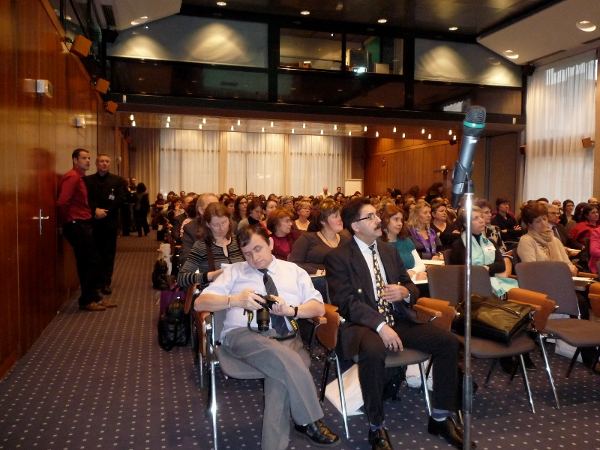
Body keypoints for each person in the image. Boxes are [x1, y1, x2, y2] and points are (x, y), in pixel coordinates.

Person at [325, 198, 468, 450]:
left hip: (399, 320)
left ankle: (441, 417)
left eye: (376, 215)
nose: (378, 220)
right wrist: (380, 326)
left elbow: (411, 285)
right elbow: (346, 302)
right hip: (363, 326)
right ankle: (376, 426)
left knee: (447, 343)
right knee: (373, 349)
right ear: (355, 226)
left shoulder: (389, 251)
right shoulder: (339, 257)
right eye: (370, 217)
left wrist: (405, 292)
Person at [196, 225, 340, 450]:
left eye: (258, 249)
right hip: (244, 336)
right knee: (289, 360)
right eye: (247, 254)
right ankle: (310, 420)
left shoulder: (294, 271)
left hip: (286, 337)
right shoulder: (234, 272)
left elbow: (318, 307)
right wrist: (234, 300)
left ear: (271, 243)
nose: (254, 258)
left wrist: (291, 311)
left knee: (280, 376)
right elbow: (200, 303)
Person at [57, 148, 104, 311]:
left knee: (91, 261)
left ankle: (94, 297)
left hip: (82, 223)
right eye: (84, 158)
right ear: (75, 160)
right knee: (90, 262)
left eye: (89, 158)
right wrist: (65, 223)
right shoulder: (72, 177)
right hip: (76, 224)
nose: (88, 161)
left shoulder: (80, 178)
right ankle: (86, 300)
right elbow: (63, 202)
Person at [83, 153, 127, 298]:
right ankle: (95, 282)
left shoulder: (118, 181)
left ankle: (106, 282)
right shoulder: (87, 180)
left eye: (107, 161)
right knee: (94, 253)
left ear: (110, 164)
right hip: (93, 222)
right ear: (96, 163)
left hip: (110, 222)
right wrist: (95, 210)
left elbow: (120, 199)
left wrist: (106, 212)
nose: (104, 163)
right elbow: (86, 199)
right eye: (101, 161)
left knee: (108, 254)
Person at [177, 202, 244, 289]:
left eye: (224, 222)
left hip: (241, 292)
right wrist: (210, 276)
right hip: (214, 297)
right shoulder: (201, 246)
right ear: (208, 225)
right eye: (216, 225)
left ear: (229, 220)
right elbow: (182, 278)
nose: (221, 228)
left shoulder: (239, 241)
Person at [288, 199, 349, 274]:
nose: (340, 219)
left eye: (340, 216)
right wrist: (317, 271)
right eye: (335, 216)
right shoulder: (307, 239)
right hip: (315, 282)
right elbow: (294, 264)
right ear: (323, 221)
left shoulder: (346, 240)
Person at [518, 203, 578, 276]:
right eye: (538, 221)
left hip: (561, 279)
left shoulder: (554, 240)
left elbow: (567, 263)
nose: (543, 223)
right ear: (530, 224)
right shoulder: (526, 240)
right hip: (540, 283)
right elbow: (531, 270)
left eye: (544, 219)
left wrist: (571, 268)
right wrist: (562, 270)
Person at [379, 204, 426, 281]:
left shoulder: (406, 241)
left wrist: (412, 271)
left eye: (401, 220)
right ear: (385, 221)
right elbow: (388, 274)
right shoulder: (379, 244)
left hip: (413, 282)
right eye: (396, 219)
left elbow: (421, 265)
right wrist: (413, 277)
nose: (400, 223)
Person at [180, 193, 219, 263]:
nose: (217, 209)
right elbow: (186, 258)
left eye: (218, 206)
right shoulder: (190, 228)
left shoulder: (229, 225)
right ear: (201, 210)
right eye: (211, 206)